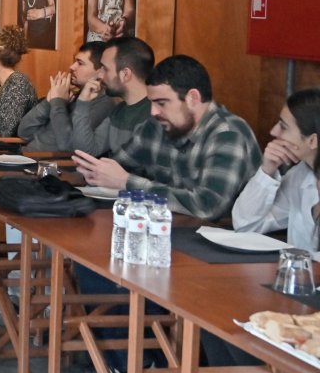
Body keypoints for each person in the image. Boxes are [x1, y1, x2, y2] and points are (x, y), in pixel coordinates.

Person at [74, 55, 261, 219]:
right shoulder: (158, 124)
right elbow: (120, 166)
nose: (154, 111)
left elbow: (208, 207)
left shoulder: (228, 135)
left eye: (162, 103)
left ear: (193, 98)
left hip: (222, 248)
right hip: (168, 230)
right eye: (152, 103)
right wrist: (95, 171)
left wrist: (126, 182)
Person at [232, 89, 320, 250]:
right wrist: (267, 170)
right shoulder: (300, 175)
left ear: (313, 140)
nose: (273, 132)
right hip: (302, 274)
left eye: (283, 127)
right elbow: (245, 225)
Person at [18, 42, 111, 152]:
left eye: (80, 63)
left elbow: (67, 146)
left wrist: (58, 103)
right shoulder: (73, 95)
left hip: (48, 164)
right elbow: (24, 132)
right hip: (26, 155)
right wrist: (50, 100)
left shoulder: (103, 104)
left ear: (101, 71)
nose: (72, 67)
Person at [70, 36, 154, 157]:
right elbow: (86, 152)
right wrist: (83, 103)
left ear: (125, 74)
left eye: (105, 68)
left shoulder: (156, 114)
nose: (100, 75)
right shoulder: (119, 111)